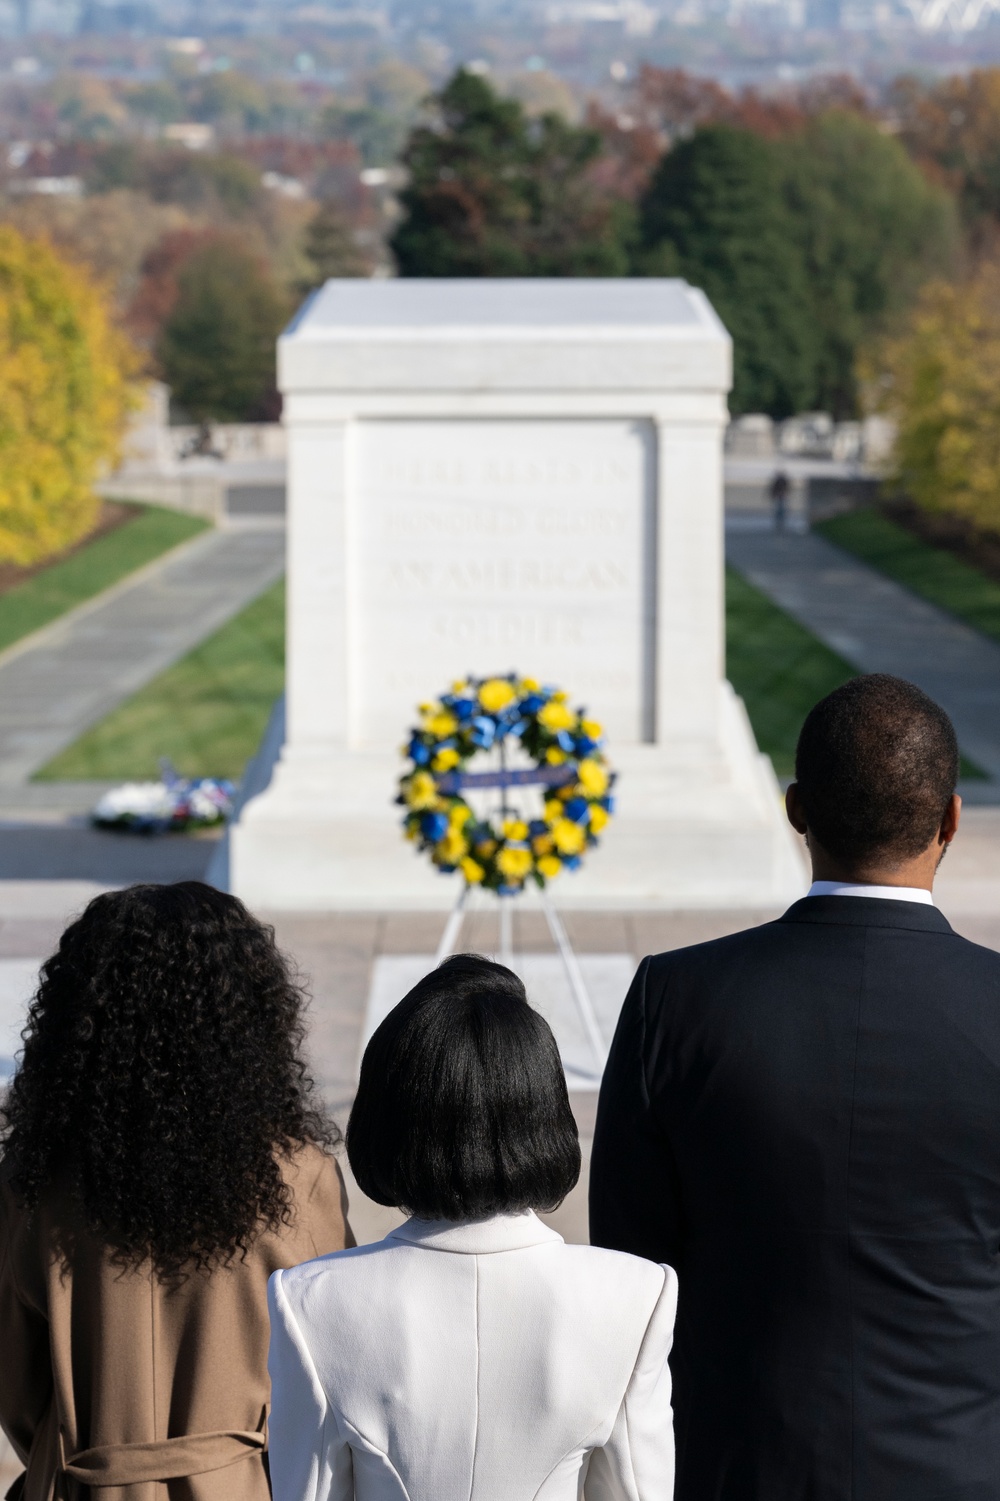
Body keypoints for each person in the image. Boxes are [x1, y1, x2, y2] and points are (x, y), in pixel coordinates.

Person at [590, 673, 1000, 1499]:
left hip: (738, 1463)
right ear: (952, 818)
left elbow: (629, 1275)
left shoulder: (677, 999)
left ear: (795, 809)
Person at [268, 953, 677, 1501]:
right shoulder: (635, 1295)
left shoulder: (310, 1303)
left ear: (387, 1117)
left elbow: (311, 1492)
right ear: (544, 1110)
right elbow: (637, 1492)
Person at [0, 881, 354, 1501]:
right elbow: (335, 1370)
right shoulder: (299, 1179)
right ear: (250, 1015)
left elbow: (17, 1385)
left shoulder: (30, 1188)